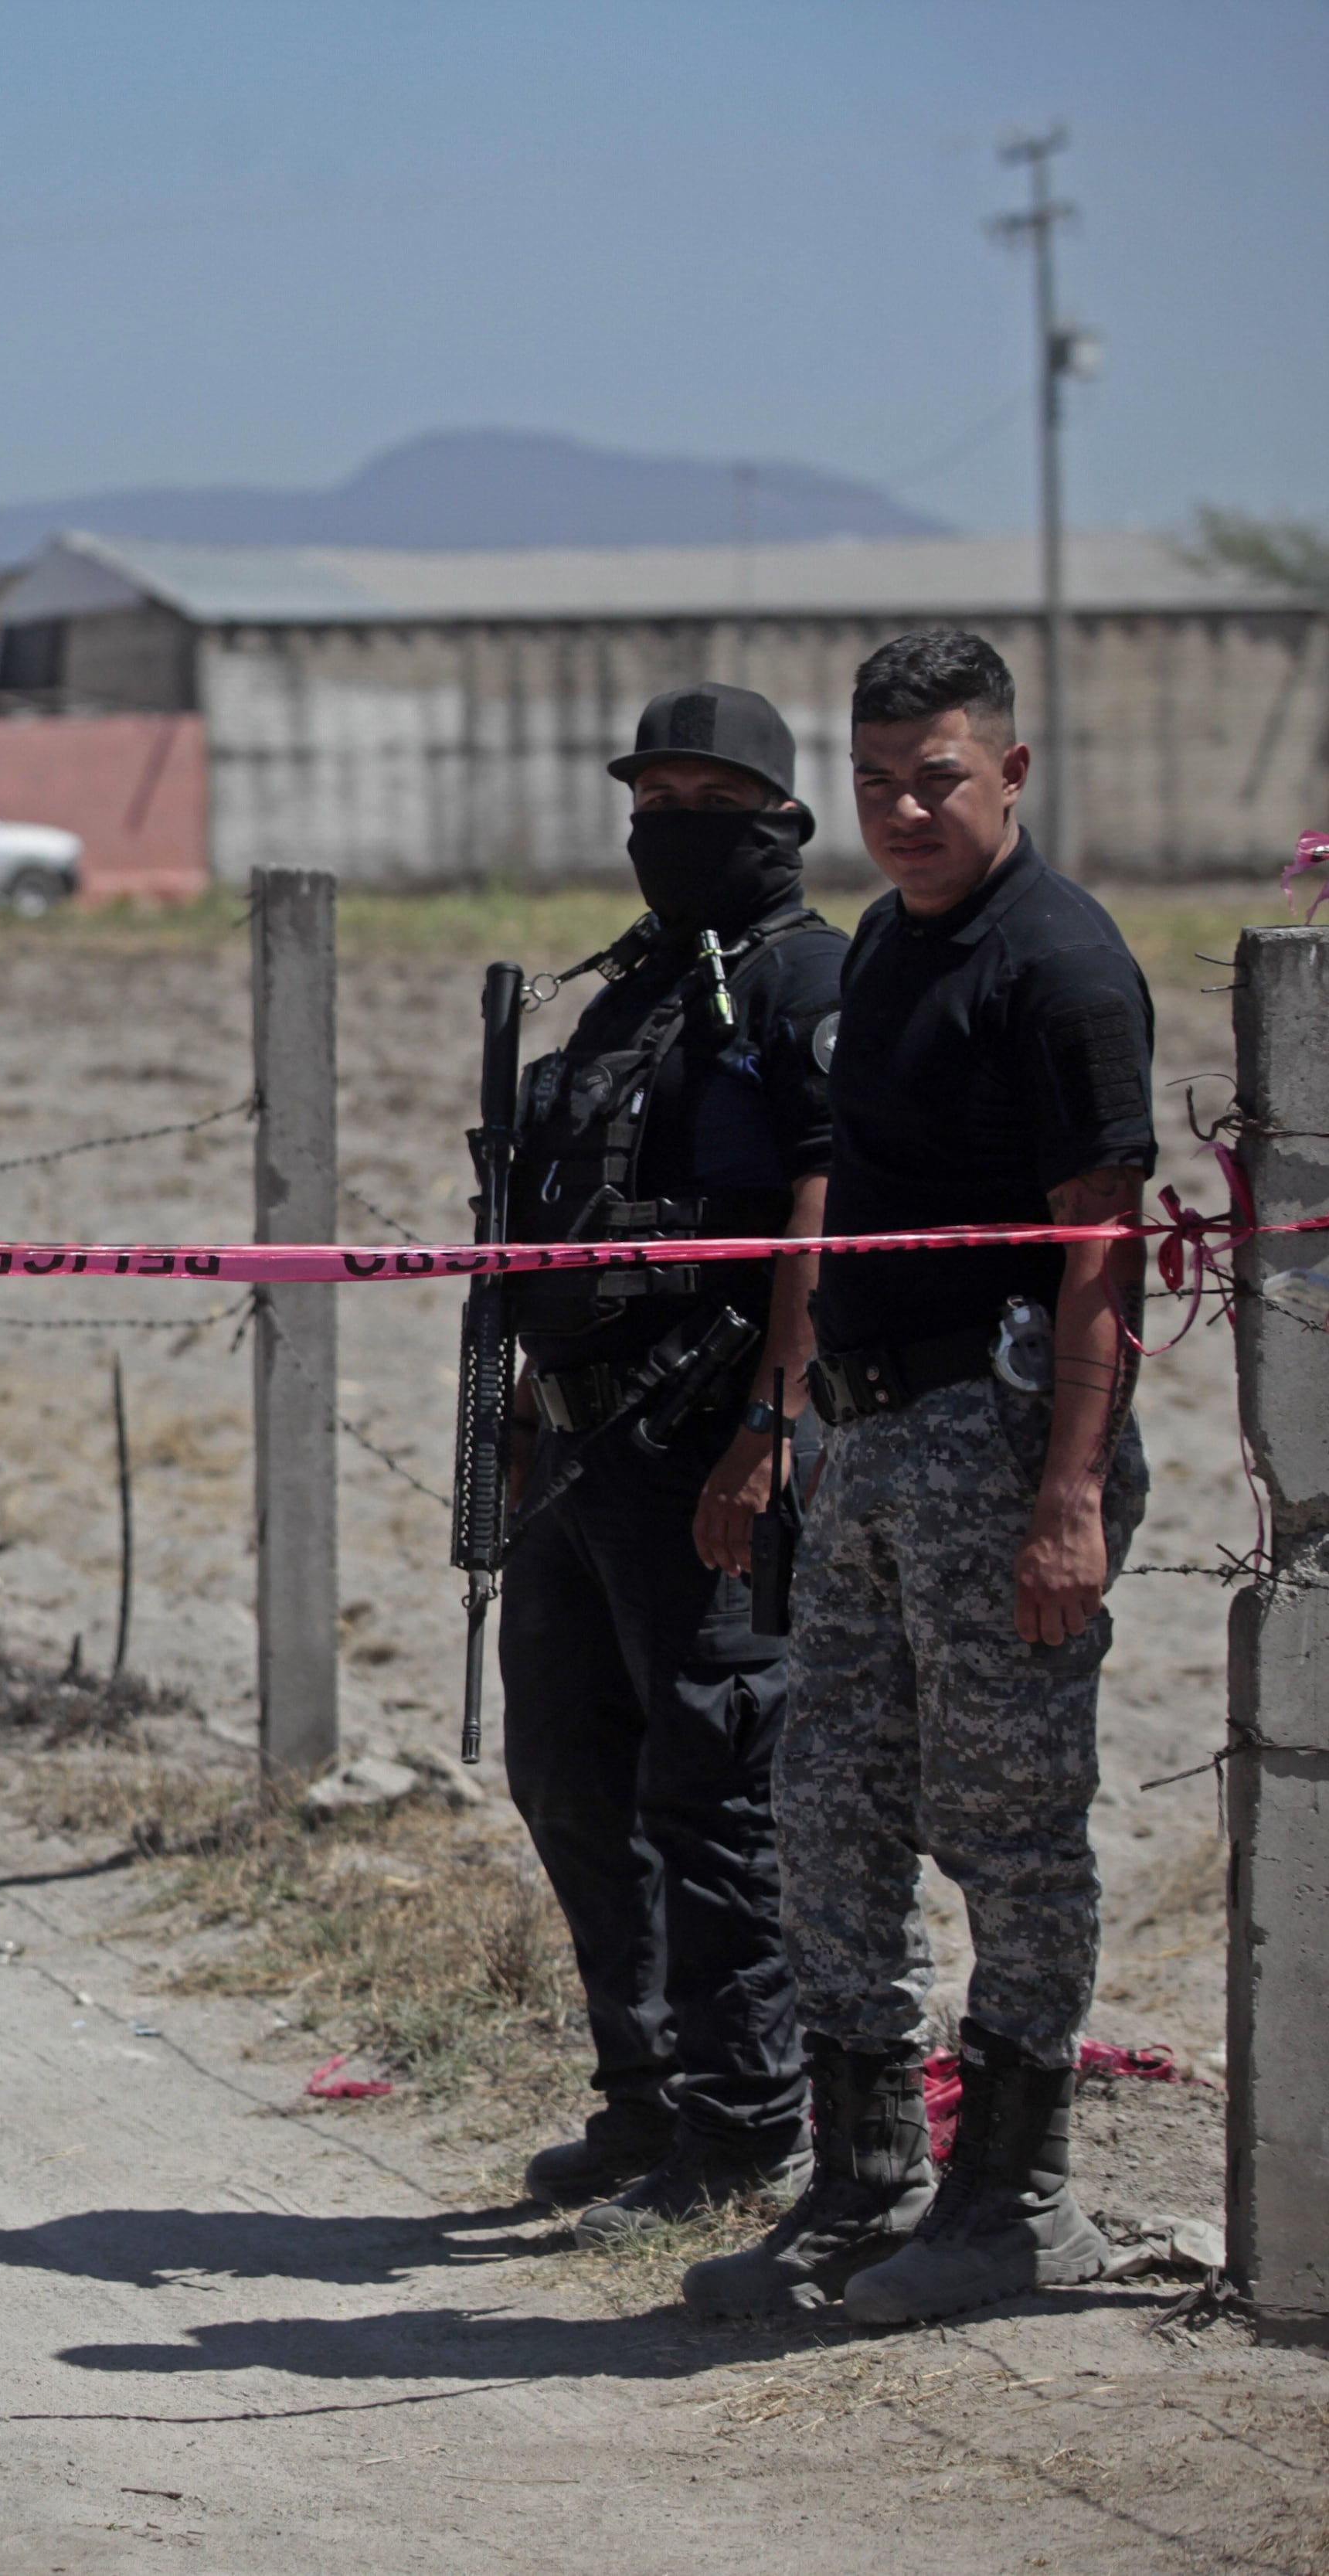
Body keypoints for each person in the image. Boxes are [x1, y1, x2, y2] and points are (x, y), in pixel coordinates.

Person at [683, 629, 1154, 2325]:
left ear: (1009, 772)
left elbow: (1102, 1253)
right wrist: (795, 1416)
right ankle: (867, 2175)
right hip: (874, 1436)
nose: (902, 810)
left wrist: (1070, 1494)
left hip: (1004, 1430)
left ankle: (1014, 2199)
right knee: (830, 1809)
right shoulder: (885, 941)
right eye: (876, 782)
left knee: (1012, 1824)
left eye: (935, 777)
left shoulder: (1063, 966)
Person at [491, 683, 844, 2241]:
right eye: (653, 804)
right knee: (570, 1771)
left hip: (710, 1444)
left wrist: (774, 1424)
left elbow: (824, 1222)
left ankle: (739, 2122)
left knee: (711, 1784)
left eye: (707, 805)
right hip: (575, 1447)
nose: (671, 831)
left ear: (780, 821)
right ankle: (639, 2097)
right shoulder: (635, 987)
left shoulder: (799, 983)